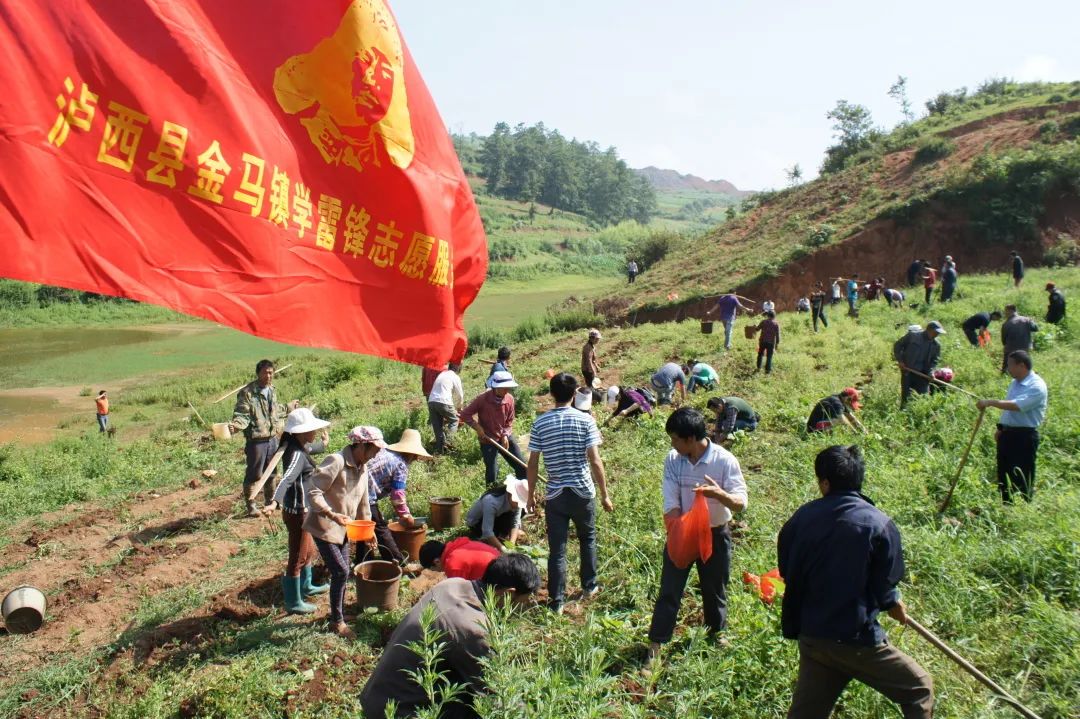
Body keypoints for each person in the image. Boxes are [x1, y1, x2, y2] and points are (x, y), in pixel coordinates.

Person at [778, 445, 933, 719]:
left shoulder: (800, 518)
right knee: (919, 688)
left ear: (825, 483)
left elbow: (787, 570)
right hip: (854, 639)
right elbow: (885, 582)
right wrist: (892, 602)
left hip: (813, 635)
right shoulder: (879, 524)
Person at [358, 554, 541, 718]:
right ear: (508, 595)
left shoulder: (452, 584)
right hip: (398, 711)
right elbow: (497, 695)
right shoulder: (473, 630)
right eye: (523, 603)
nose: (522, 609)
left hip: (377, 696)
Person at [647, 408, 747, 665]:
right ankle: (656, 644)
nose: (672, 443)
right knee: (670, 589)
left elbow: (740, 503)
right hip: (682, 531)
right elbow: (671, 497)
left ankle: (717, 633)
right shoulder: (673, 458)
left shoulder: (724, 461)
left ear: (690, 439)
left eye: (675, 438)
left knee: (715, 589)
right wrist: (679, 528)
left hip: (715, 534)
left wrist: (719, 495)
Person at [527, 373, 612, 613]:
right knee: (588, 539)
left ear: (551, 394)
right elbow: (595, 460)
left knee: (558, 549)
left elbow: (532, 463)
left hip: (555, 494)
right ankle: (589, 586)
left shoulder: (540, 423)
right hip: (582, 492)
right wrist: (605, 494)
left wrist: (531, 494)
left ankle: (557, 601)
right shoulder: (585, 421)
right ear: (575, 394)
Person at [305, 425, 386, 637]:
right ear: (362, 445)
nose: (377, 454)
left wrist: (369, 531)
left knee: (344, 570)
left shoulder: (363, 466)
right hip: (324, 526)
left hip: (343, 528)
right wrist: (331, 513)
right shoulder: (337, 461)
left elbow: (363, 502)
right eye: (375, 449)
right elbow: (313, 490)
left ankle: (336, 613)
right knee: (341, 571)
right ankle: (337, 622)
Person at [267, 408, 330, 614]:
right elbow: (286, 479)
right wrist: (275, 501)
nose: (314, 433)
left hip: (305, 509)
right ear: (301, 433)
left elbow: (312, 450)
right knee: (298, 556)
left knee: (309, 551)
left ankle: (307, 586)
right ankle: (293, 602)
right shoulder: (296, 454)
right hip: (297, 512)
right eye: (311, 430)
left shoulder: (299, 446)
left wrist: (324, 444)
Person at [977, 350, 1048, 503]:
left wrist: (991, 402)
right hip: (1007, 435)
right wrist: (1001, 428)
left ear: (1021, 365)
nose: (1007, 368)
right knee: (1004, 472)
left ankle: (1023, 506)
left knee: (1022, 473)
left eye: (1009, 365)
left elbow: (1017, 406)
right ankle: (1006, 504)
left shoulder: (1036, 386)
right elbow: (1009, 410)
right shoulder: (1015, 383)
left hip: (1024, 436)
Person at [359, 429, 432, 567]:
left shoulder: (385, 451)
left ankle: (363, 562)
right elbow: (397, 494)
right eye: (415, 455)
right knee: (379, 527)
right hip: (366, 494)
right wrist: (405, 516)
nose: (416, 459)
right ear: (412, 453)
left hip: (357, 488)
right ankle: (399, 563)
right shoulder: (401, 464)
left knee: (365, 526)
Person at [231, 359, 291, 517]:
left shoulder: (272, 389)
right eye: (265, 372)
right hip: (256, 440)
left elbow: (275, 410)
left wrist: (289, 408)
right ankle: (250, 505)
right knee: (254, 474)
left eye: (271, 372)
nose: (268, 375)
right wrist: (237, 425)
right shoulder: (248, 393)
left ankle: (270, 501)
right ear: (258, 373)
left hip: (272, 438)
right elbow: (242, 414)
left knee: (271, 472)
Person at [462, 371, 528, 487]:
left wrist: (505, 434)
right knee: (492, 472)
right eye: (504, 387)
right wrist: (477, 427)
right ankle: (491, 495)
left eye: (508, 387)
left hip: (504, 437)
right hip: (488, 439)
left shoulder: (509, 399)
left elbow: (509, 420)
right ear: (496, 387)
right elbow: (465, 414)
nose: (507, 390)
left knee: (522, 465)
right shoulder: (482, 399)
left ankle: (522, 492)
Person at [465, 476, 528, 548]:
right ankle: (490, 538)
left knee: (516, 516)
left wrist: (511, 545)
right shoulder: (491, 501)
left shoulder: (516, 503)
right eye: (517, 502)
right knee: (489, 540)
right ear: (510, 493)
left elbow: (515, 523)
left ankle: (500, 536)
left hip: (497, 517)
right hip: (478, 523)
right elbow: (487, 531)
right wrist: (503, 549)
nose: (518, 505)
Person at [893, 321, 944, 408]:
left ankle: (918, 417)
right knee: (906, 396)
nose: (937, 334)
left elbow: (934, 361)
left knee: (923, 398)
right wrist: (900, 361)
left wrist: (931, 372)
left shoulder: (936, 345)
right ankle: (904, 414)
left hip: (923, 375)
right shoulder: (912, 336)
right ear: (929, 330)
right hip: (908, 371)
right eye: (936, 332)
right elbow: (897, 346)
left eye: (938, 333)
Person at [418, 537, 501, 580]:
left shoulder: (453, 565)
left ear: (437, 562)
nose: (438, 572)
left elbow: (458, 594)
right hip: (503, 564)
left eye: (434, 570)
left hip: (501, 579)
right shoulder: (457, 546)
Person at [428, 362, 464, 453]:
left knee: (438, 427)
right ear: (458, 368)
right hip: (444, 401)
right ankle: (449, 442)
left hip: (431, 401)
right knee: (455, 420)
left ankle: (439, 450)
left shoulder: (442, 374)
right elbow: (459, 395)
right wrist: (459, 407)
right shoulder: (455, 377)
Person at [1000, 304, 1038, 373]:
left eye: (1005, 311)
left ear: (1009, 311)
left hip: (1010, 349)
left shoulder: (1006, 324)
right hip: (1025, 348)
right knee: (1024, 365)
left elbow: (1003, 341)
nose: (1005, 313)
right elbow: (1035, 328)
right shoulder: (1027, 320)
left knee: (1006, 366)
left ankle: (1004, 374)